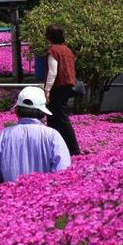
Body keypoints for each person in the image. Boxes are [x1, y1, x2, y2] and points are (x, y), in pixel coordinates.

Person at [0, 86, 71, 188]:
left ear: (17, 111)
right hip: (44, 200)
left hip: (10, 200)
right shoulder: (53, 136)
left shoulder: (3, 136)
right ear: (43, 112)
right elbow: (62, 173)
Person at [44, 23, 81, 156]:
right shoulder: (67, 50)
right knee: (54, 117)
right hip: (68, 86)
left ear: (49, 36)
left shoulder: (53, 50)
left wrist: (47, 90)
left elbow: (53, 72)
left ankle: (73, 149)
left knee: (60, 118)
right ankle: (55, 146)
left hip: (58, 87)